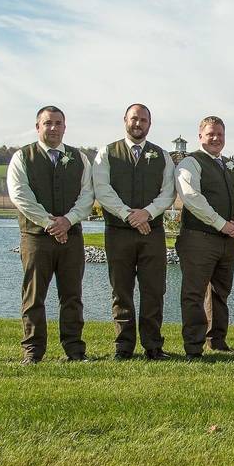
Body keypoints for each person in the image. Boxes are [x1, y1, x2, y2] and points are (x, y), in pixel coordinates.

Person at [7, 105, 94, 364]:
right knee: (34, 296)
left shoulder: (80, 159)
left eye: (58, 123)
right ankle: (33, 351)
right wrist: (49, 223)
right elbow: (20, 196)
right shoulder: (22, 158)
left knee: (72, 296)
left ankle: (75, 351)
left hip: (72, 236)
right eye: (48, 123)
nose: (53, 128)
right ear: (38, 127)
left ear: (65, 127)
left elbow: (87, 195)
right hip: (35, 238)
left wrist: (68, 221)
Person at [92, 103, 175, 361]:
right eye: (134, 119)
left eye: (143, 120)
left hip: (152, 231)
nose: (138, 124)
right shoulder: (107, 153)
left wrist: (147, 213)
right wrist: (129, 215)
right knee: (121, 290)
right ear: (124, 120)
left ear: (150, 124)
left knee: (153, 290)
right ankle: (123, 347)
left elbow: (169, 192)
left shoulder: (162, 156)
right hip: (118, 232)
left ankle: (153, 346)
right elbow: (102, 190)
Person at [174, 116, 234, 360]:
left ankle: (217, 341)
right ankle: (193, 346)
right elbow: (192, 198)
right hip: (199, 237)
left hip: (227, 239)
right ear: (200, 136)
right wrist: (222, 224)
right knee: (194, 293)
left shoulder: (231, 166)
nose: (216, 138)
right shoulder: (190, 163)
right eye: (211, 134)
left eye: (220, 133)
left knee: (221, 291)